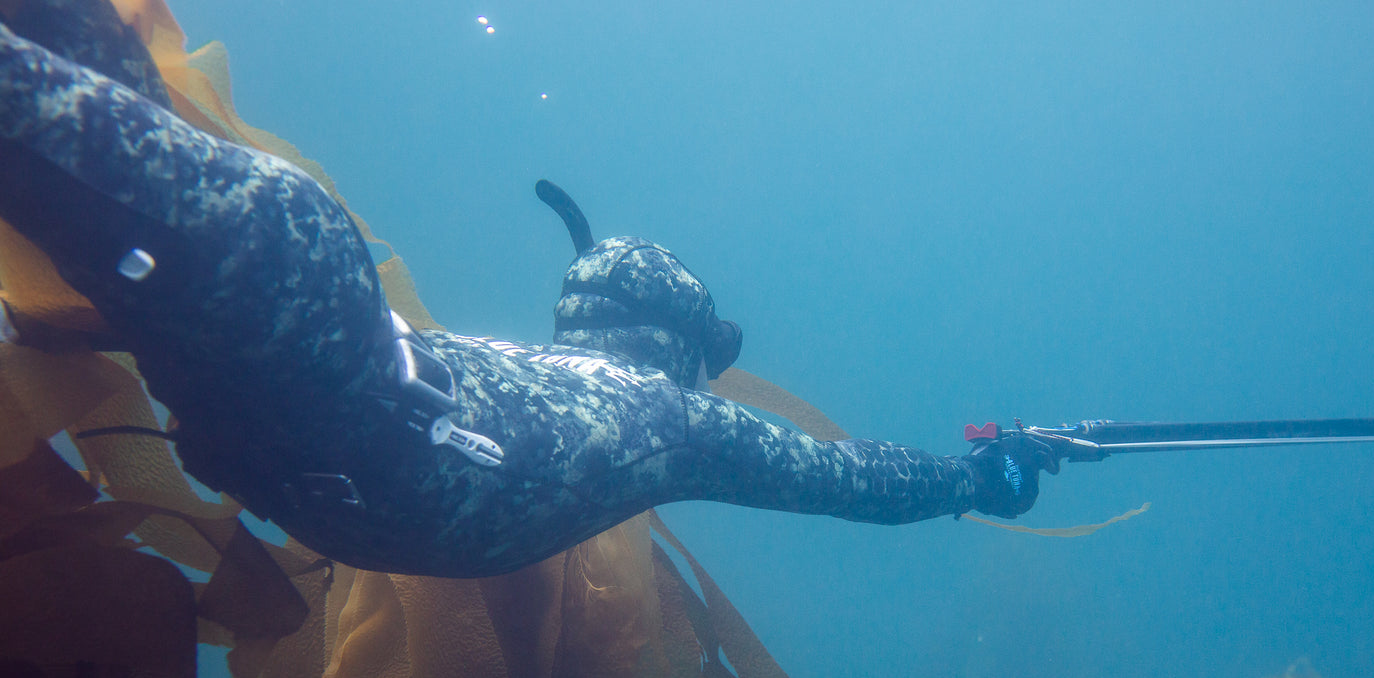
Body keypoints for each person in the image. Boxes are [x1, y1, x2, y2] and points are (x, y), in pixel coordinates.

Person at [0, 3, 1058, 578]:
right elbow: (844, 478)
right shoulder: (674, 414)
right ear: (682, 333)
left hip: (307, 405)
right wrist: (979, 479)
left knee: (122, 113)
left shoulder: (571, 369)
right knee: (109, 114)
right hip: (310, 447)